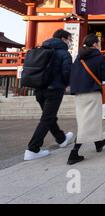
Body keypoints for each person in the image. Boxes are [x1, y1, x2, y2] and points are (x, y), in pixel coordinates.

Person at [24, 29, 74, 161]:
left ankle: (61, 139)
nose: (70, 42)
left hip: (39, 88)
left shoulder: (41, 49)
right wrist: (67, 84)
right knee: (47, 118)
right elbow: (67, 72)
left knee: (49, 116)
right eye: (69, 39)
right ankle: (32, 149)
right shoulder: (64, 53)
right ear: (63, 39)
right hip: (54, 89)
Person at [67, 34, 105, 165]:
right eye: (99, 42)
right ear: (95, 44)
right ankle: (74, 152)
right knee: (89, 121)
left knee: (86, 119)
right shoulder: (99, 57)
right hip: (92, 92)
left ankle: (99, 142)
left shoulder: (78, 57)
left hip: (79, 93)